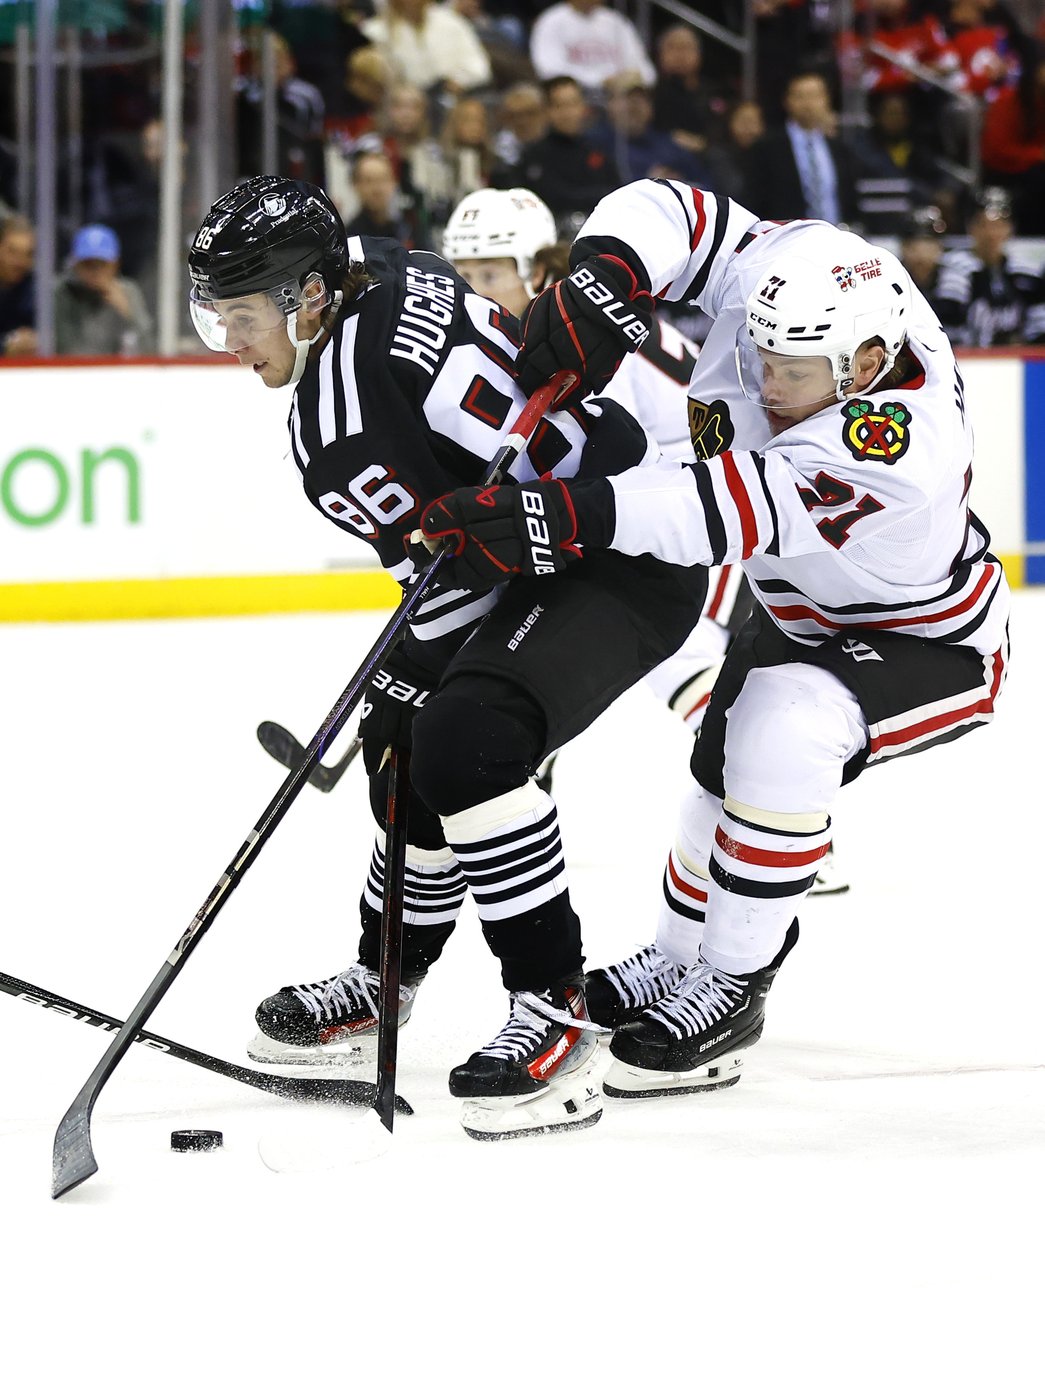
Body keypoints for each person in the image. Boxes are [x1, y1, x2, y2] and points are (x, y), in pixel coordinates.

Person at [417, 177, 1010, 1099]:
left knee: (782, 727)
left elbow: (715, 512)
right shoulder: (796, 278)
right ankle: (679, 955)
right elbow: (674, 211)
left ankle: (734, 981)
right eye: (764, 359)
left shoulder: (898, 445)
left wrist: (557, 513)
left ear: (862, 368)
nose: (768, 384)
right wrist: (602, 273)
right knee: (718, 759)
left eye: (795, 373)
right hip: (794, 608)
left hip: (927, 639)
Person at [187, 176, 707, 1138]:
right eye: (212, 318)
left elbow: (456, 585)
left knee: (464, 743)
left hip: (623, 552)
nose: (232, 345)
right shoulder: (387, 269)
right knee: (409, 753)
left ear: (308, 298)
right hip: (582, 514)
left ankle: (556, 1016)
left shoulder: (336, 431)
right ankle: (383, 980)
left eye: (242, 317)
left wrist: (400, 693)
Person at [743, 70, 858, 225]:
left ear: (827, 100)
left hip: (835, 236)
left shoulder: (839, 149)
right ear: (786, 101)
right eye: (800, 96)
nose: (808, 104)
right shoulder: (766, 148)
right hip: (787, 240)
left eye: (815, 96)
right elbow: (755, 199)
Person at [935, 186, 1045, 345]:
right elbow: (947, 326)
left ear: (1010, 229)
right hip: (968, 359)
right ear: (970, 227)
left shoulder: (1027, 272)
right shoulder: (955, 269)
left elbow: (1040, 327)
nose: (991, 233)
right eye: (983, 224)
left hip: (1019, 359)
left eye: (999, 225)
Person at [54, 224, 153, 355]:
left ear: (115, 264)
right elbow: (65, 348)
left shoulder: (127, 291)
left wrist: (129, 313)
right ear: (75, 265)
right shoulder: (63, 292)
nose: (95, 272)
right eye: (88, 264)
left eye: (101, 264)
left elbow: (149, 348)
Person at [529, 0, 655, 93]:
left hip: (619, 98)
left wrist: (636, 77)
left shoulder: (617, 21)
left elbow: (646, 71)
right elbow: (550, 71)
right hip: (580, 96)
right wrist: (600, 81)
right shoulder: (551, 21)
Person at [0, 212, 37, 357]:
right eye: (12, 252)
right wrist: (4, 346)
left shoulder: (37, 289)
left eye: (28, 254)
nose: (20, 262)